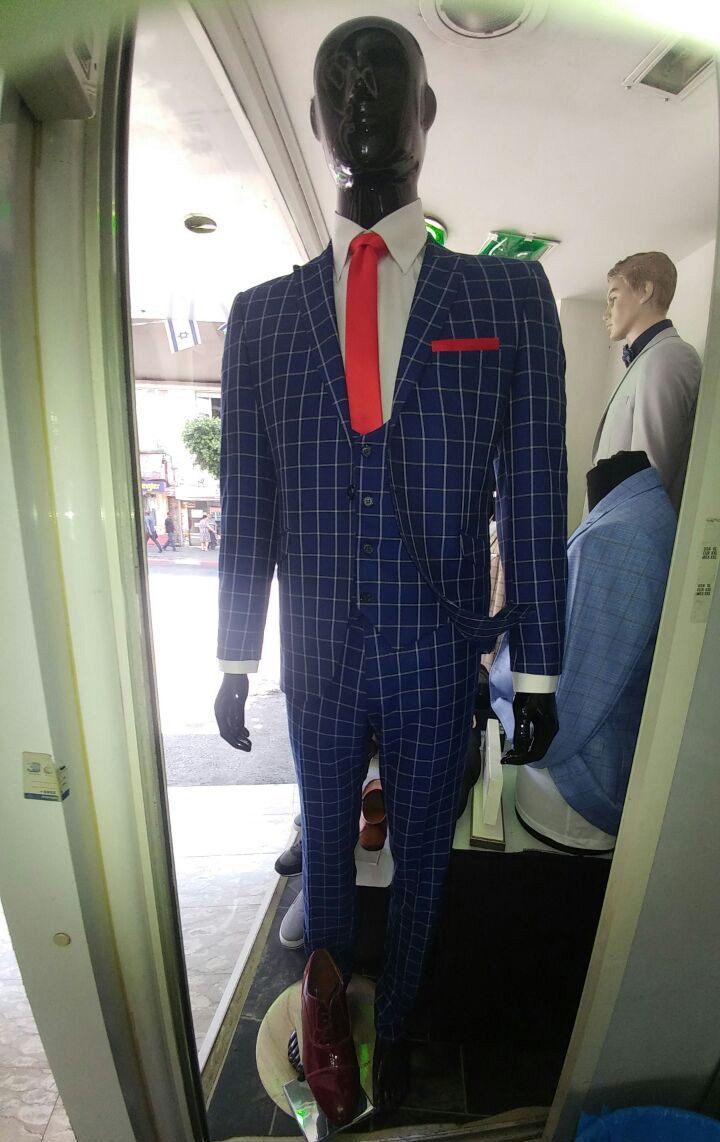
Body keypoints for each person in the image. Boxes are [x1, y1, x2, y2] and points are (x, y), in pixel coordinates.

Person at [214, 16, 568, 1111]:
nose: (361, 97)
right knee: (325, 855)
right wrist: (234, 656)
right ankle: (327, 1021)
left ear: (427, 110)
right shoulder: (262, 318)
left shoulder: (505, 298)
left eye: (386, 78)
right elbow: (248, 504)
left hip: (436, 653)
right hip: (317, 653)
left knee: (423, 858)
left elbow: (536, 489)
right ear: (317, 122)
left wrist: (539, 669)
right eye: (339, 85)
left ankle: (401, 1022)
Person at [491, 451, 676, 852]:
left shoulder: (618, 536)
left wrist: (500, 699)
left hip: (569, 793)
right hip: (590, 774)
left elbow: (567, 712)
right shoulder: (645, 512)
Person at [594, 251, 702, 511]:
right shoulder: (647, 359)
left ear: (644, 291)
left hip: (631, 528)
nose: (605, 314)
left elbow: (650, 477)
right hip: (613, 522)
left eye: (613, 299)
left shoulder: (668, 356)